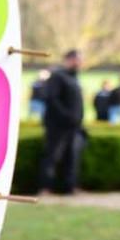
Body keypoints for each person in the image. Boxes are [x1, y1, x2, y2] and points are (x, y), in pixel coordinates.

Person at [39, 49, 85, 195]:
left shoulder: (74, 78)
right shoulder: (58, 76)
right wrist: (66, 116)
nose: (80, 62)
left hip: (73, 127)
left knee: (71, 157)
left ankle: (69, 186)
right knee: (53, 156)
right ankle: (46, 187)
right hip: (58, 126)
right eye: (77, 59)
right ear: (69, 59)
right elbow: (52, 99)